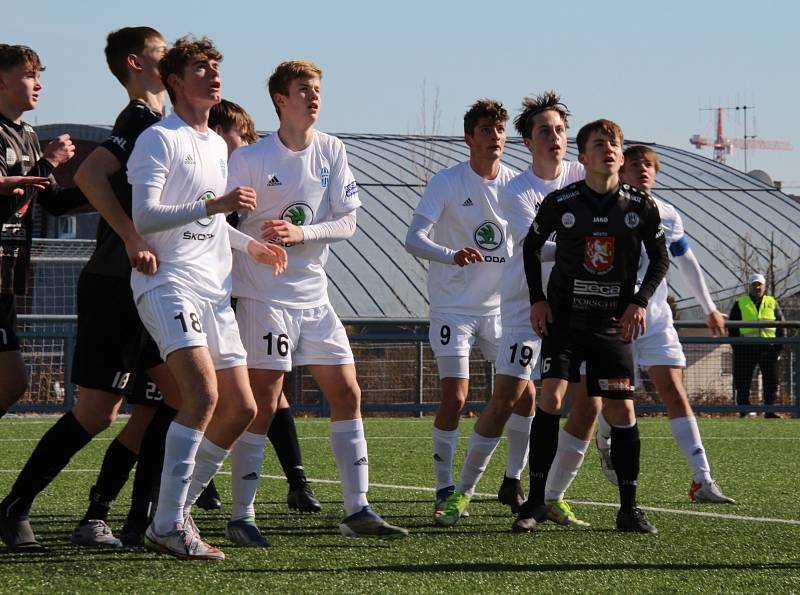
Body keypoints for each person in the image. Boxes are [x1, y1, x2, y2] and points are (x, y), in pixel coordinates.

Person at [224, 60, 406, 541]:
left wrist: (301, 232)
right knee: (261, 403)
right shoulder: (249, 158)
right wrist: (257, 246)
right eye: (304, 89)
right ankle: (242, 514)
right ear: (280, 99)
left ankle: (357, 509)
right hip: (263, 296)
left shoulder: (332, 150)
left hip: (315, 297)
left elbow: (348, 221)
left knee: (347, 393)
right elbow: (219, 226)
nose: (314, 96)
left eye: (318, 89)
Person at [127, 36, 286, 561]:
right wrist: (215, 203)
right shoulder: (159, 138)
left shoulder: (218, 144)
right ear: (175, 81)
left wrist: (251, 245)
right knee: (202, 397)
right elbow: (146, 218)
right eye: (201, 67)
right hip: (169, 281)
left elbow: (213, 223)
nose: (214, 74)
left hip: (214, 292)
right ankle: (169, 524)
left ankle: (174, 514)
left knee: (241, 407)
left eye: (216, 66)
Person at [545, 145, 735, 508]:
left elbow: (685, 260)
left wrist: (710, 307)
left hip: (655, 318)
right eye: (635, 165)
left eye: (649, 165)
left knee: (674, 391)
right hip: (607, 322)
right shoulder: (599, 208)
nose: (642, 170)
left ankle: (703, 480)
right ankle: (553, 494)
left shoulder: (666, 214)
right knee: (590, 404)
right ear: (620, 169)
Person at [435, 91, 588, 526]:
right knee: (505, 398)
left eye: (560, 130)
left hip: (578, 312)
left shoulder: (582, 176)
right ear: (528, 142)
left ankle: (550, 496)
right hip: (526, 309)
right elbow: (538, 248)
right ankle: (460, 494)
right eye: (545, 131)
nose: (555, 138)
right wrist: (591, 244)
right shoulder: (517, 191)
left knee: (587, 402)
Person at [516, 119, 669, 535]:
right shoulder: (561, 201)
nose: (610, 149)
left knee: (622, 410)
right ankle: (534, 502)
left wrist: (638, 301)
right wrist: (538, 299)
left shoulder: (640, 206)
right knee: (551, 397)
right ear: (582, 157)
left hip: (610, 325)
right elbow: (530, 248)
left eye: (615, 143)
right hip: (565, 320)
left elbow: (660, 259)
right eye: (600, 143)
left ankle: (629, 508)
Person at [405, 98, 520, 519]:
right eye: (487, 130)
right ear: (469, 138)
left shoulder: (516, 185)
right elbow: (413, 238)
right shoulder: (447, 182)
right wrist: (451, 254)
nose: (496, 138)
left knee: (523, 397)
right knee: (456, 395)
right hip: (454, 308)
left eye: (501, 130)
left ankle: (513, 480)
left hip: (503, 311)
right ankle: (443, 486)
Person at [207, 98, 321, 516]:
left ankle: (297, 481)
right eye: (221, 138)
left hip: (246, 294)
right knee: (218, 392)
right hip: (216, 294)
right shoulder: (215, 181)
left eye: (234, 138)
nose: (229, 147)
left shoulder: (253, 174)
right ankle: (202, 486)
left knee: (267, 392)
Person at [0, 44, 91, 551]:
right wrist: (38, 167)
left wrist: (109, 188)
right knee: (14, 379)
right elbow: (14, 184)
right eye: (28, 75)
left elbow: (50, 199)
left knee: (13, 381)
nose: (37, 84)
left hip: (7, 277)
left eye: (38, 76)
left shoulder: (28, 134)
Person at [729, 272, 785, 418]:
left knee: (771, 381)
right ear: (749, 287)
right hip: (746, 349)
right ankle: (744, 410)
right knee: (743, 381)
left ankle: (770, 410)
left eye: (759, 284)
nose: (757, 287)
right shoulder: (740, 303)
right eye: (754, 285)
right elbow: (732, 328)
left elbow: (781, 326)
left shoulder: (772, 302)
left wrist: (778, 347)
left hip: (769, 349)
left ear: (764, 286)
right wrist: (737, 347)